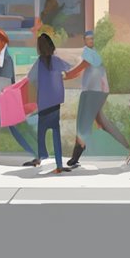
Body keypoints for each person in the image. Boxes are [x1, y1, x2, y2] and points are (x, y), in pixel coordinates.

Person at [67, 29, 130, 168]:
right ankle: (127, 147)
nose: (91, 41)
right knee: (102, 121)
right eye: (88, 39)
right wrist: (69, 74)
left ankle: (77, 152)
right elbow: (81, 70)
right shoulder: (92, 53)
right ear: (85, 40)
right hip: (96, 90)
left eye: (92, 38)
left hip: (94, 91)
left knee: (82, 123)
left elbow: (78, 69)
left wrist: (64, 75)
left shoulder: (92, 54)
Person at [24, 33, 80, 174]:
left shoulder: (39, 63)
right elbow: (72, 70)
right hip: (55, 101)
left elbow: (31, 79)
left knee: (41, 132)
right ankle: (59, 165)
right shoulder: (57, 61)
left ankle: (39, 157)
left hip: (44, 102)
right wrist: (61, 76)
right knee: (55, 131)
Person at [0, 29, 36, 163]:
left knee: (13, 125)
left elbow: (6, 77)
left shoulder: (5, 58)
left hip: (2, 95)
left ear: (2, 42)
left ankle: (34, 150)